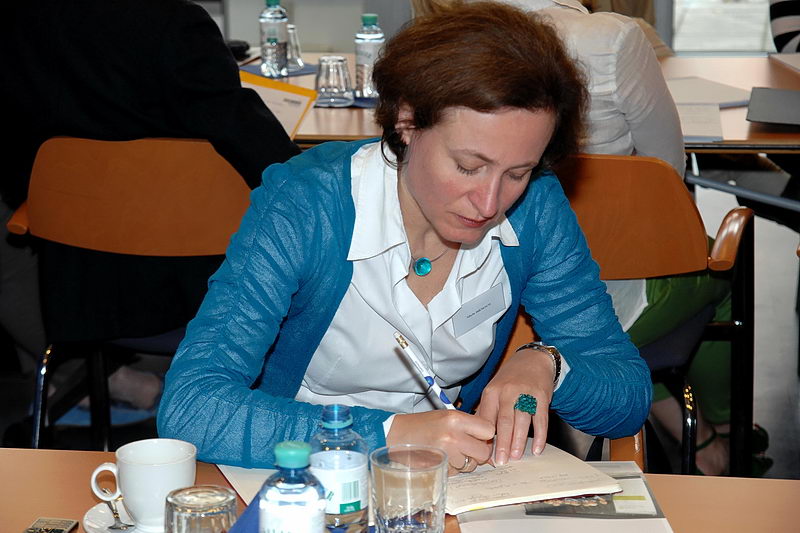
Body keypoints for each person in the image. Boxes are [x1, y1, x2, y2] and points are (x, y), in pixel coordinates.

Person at [158, 1, 651, 471]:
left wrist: (548, 364)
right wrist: (391, 434)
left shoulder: (536, 208)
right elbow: (191, 407)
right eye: (468, 166)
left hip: (446, 488)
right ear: (407, 122)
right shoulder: (306, 204)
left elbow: (627, 397)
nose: (489, 203)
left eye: (517, 172)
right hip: (305, 476)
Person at [1, 0, 300, 410]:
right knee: (305, 211)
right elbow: (241, 131)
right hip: (189, 283)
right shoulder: (172, 21)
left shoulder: (20, 21)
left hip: (74, 282)